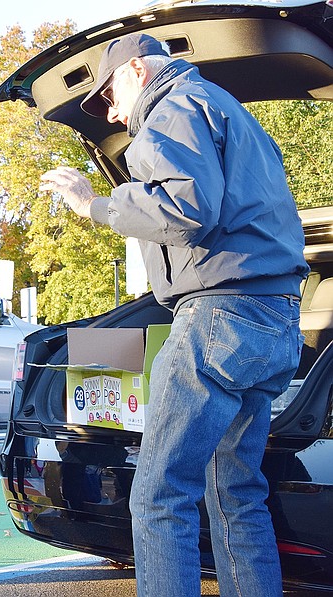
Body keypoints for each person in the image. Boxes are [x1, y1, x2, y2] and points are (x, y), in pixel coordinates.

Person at [40, 33, 308, 597]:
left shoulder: (174, 105)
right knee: (236, 490)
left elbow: (184, 209)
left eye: (109, 95)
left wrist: (95, 205)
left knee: (160, 492)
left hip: (220, 315)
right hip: (275, 316)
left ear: (136, 70)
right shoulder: (228, 113)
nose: (113, 113)